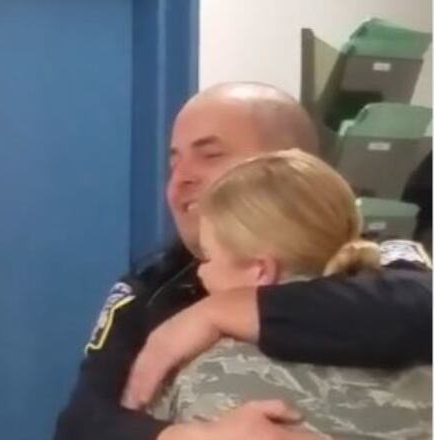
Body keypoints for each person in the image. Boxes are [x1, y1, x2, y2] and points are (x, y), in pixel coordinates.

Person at [53, 82, 432, 440]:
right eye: (174, 163)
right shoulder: (153, 286)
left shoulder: (375, 258)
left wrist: (221, 311)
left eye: (211, 155)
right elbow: (83, 422)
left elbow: (420, 307)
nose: (180, 179)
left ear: (291, 167)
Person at [142, 149, 431, 439]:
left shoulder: (206, 374)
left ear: (260, 270)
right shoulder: (421, 358)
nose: (200, 273)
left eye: (206, 257)